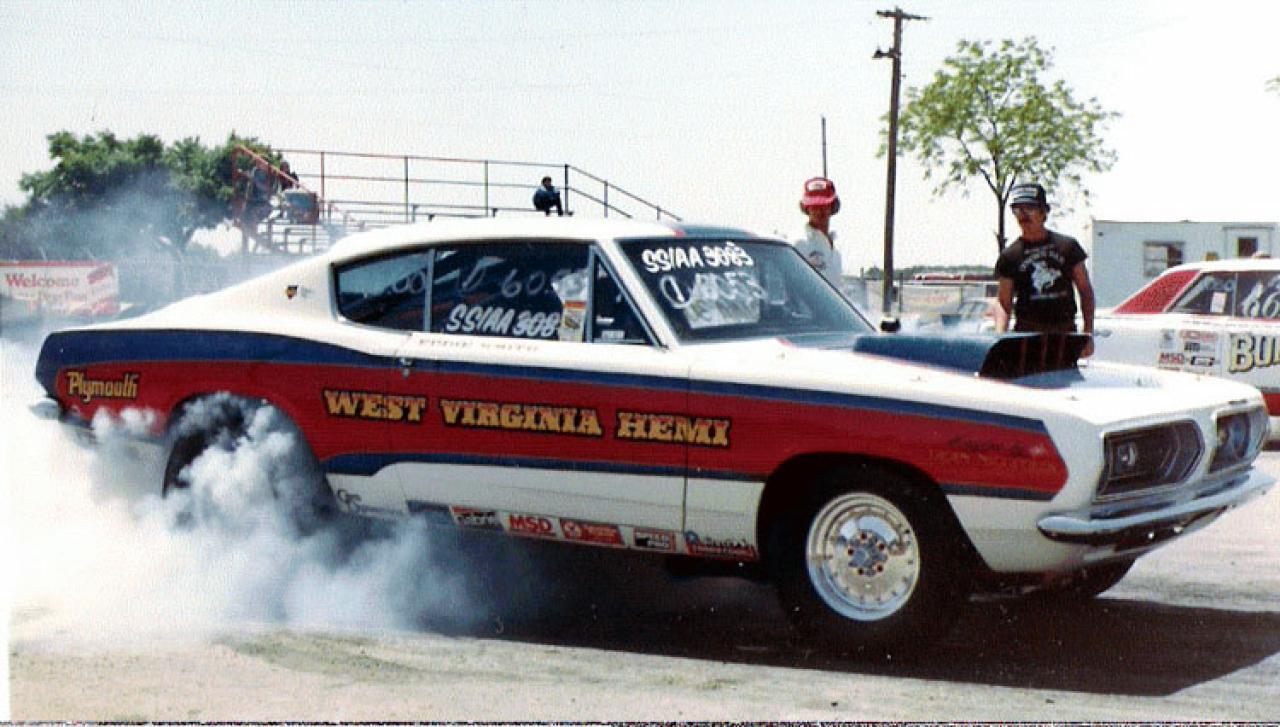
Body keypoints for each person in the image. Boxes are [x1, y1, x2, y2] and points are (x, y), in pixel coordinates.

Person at [994, 182, 1095, 356]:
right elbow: (1004, 302)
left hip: (1064, 334)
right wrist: (999, 338)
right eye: (1018, 210)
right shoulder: (1009, 256)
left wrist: (1087, 333)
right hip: (1026, 337)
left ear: (1044, 212)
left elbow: (1085, 290)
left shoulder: (1067, 247)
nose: (1024, 216)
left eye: (1030, 209)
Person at [793, 176, 843, 288]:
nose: (819, 211)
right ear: (806, 208)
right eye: (814, 206)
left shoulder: (837, 248)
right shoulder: (799, 244)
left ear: (833, 206)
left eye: (824, 205)